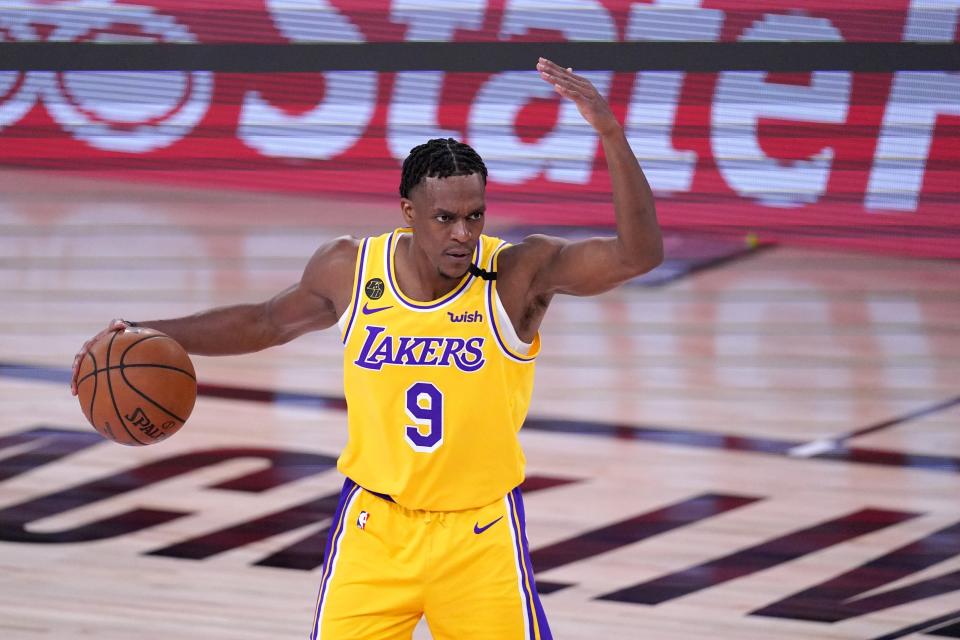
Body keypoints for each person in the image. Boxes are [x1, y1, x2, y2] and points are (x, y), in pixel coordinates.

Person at [70, 58, 662, 640]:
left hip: (478, 535)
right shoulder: (352, 268)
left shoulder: (516, 274)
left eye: (475, 216)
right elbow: (265, 322)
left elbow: (639, 256)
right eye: (446, 217)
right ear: (409, 212)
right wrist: (140, 333)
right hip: (373, 530)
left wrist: (609, 131)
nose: (463, 233)